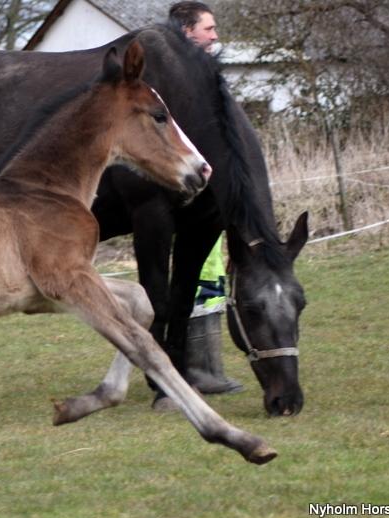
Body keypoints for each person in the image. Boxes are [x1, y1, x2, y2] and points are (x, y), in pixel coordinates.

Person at [169, 2, 242, 394]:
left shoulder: (207, 79)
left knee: (209, 283)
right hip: (190, 203)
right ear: (186, 31)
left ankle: (207, 369)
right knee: (193, 284)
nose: (215, 36)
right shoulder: (176, 85)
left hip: (211, 205)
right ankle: (194, 369)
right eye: (208, 29)